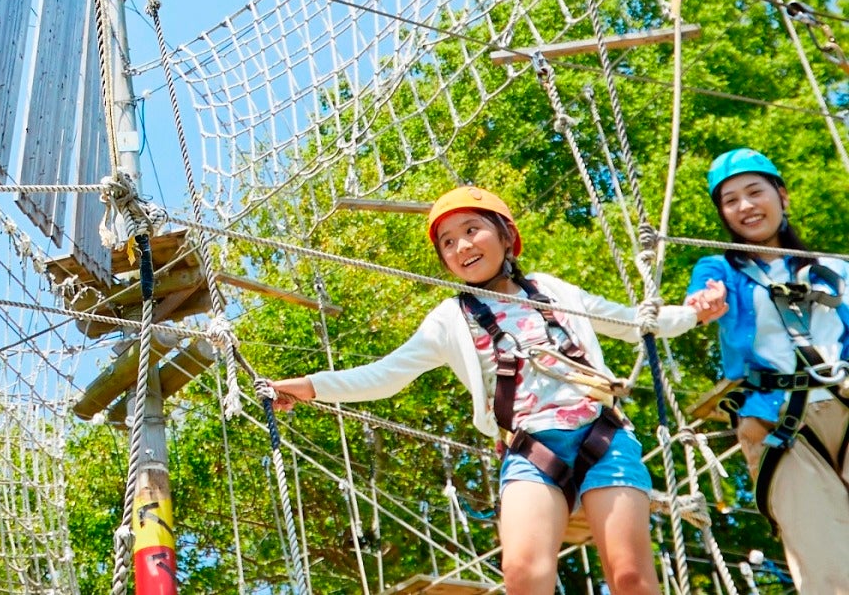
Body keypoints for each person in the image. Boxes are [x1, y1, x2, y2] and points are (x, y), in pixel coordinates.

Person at [264, 186, 721, 595]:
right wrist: (310, 387)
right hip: (531, 450)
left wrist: (694, 314)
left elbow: (632, 321)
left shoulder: (551, 289)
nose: (461, 246)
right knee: (522, 572)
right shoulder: (449, 318)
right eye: (448, 242)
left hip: (602, 436)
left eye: (472, 230)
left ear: (506, 236)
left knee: (630, 577)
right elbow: (386, 374)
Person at [689, 148, 849, 593]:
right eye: (731, 200)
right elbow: (703, 295)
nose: (745, 206)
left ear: (782, 196)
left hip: (844, 399)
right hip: (777, 420)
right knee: (827, 564)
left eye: (755, 192)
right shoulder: (721, 269)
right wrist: (704, 303)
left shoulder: (833, 270)